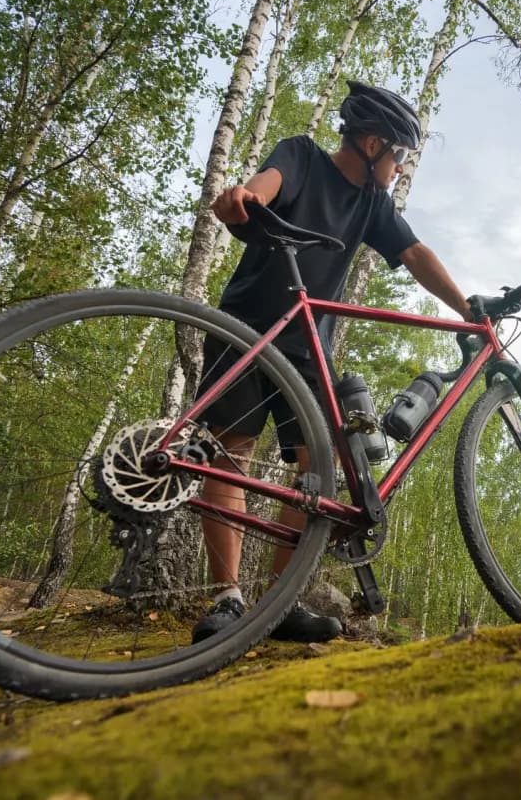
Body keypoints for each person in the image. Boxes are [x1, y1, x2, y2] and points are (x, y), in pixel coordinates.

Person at [190, 81, 470, 644]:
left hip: (308, 349)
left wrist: (467, 310)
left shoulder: (372, 203)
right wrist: (245, 198)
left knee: (317, 470)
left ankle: (278, 602)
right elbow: (266, 185)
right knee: (230, 455)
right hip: (247, 325)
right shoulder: (301, 154)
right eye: (401, 155)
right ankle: (227, 601)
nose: (400, 167)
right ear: (372, 145)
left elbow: (414, 253)